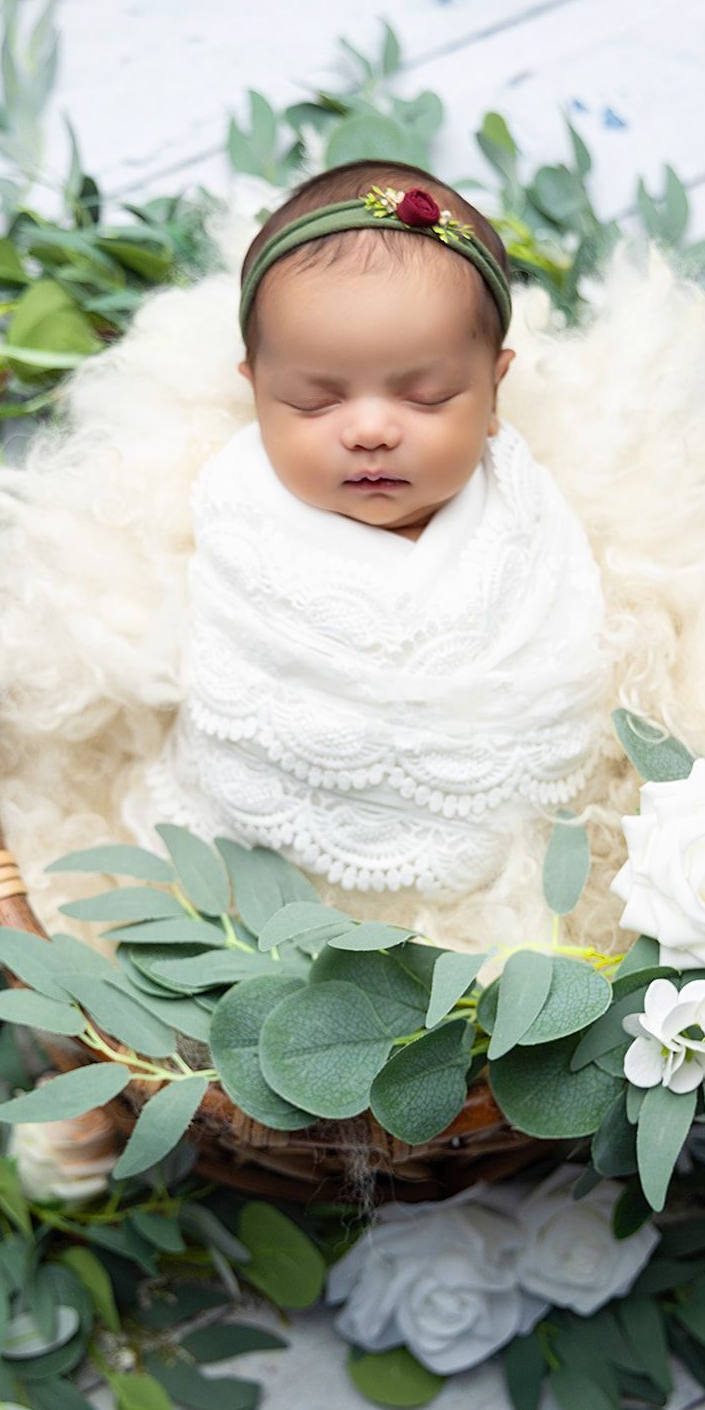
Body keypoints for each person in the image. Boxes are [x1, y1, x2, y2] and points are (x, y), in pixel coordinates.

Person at [117, 160, 613, 922]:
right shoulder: (235, 508)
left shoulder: (522, 513)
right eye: (313, 401)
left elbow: (566, 653)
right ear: (254, 389)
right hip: (257, 878)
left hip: (489, 902)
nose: (372, 430)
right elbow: (182, 654)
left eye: (427, 397)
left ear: (493, 389)